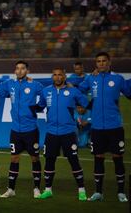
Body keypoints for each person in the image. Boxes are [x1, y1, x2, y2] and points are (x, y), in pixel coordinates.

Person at [78, 52, 131, 202]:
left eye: (104, 61)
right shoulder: (91, 78)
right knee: (98, 159)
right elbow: (79, 90)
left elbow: (129, 93)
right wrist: (84, 105)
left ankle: (121, 192)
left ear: (109, 62)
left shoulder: (118, 79)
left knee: (117, 159)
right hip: (97, 128)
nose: (101, 63)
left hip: (115, 126)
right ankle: (98, 192)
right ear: (96, 63)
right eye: (98, 61)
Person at [37, 67, 89, 201]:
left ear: (64, 77)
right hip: (51, 132)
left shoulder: (73, 91)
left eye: (60, 75)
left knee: (74, 161)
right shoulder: (46, 91)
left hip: (68, 132)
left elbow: (86, 104)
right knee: (49, 161)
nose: (57, 77)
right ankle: (48, 190)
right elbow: (40, 106)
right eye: (54, 75)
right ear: (52, 77)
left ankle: (81, 190)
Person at [0, 61, 43, 198]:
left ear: (27, 70)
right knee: (14, 158)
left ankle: (36, 188)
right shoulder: (10, 84)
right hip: (15, 130)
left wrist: (38, 108)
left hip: (31, 129)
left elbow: (48, 94)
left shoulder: (35, 85)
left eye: (22, 68)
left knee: (34, 158)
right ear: (15, 71)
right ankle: (11, 189)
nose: (20, 71)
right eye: (17, 68)